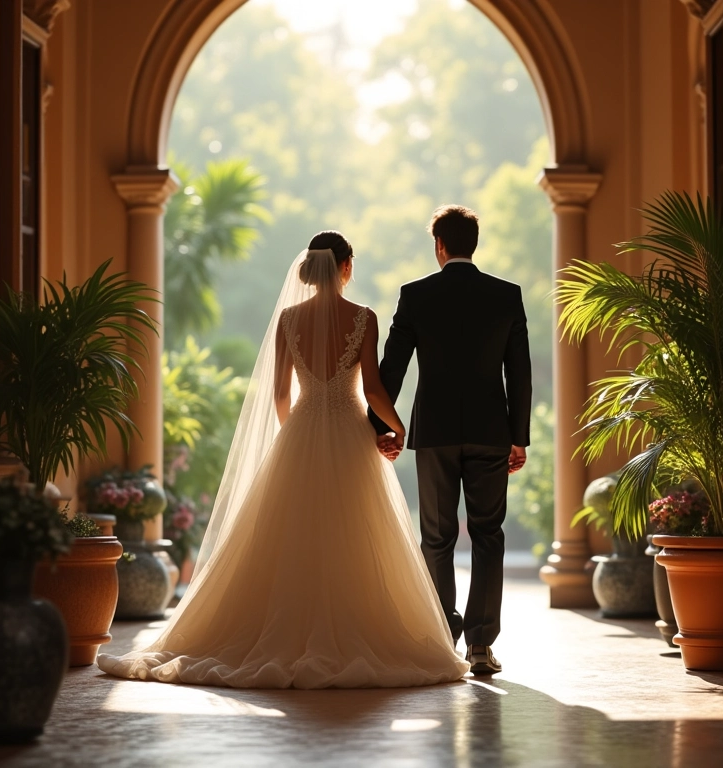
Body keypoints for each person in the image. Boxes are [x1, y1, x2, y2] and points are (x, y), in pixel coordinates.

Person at [97, 230, 469, 689]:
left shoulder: (290, 319)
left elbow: (278, 394)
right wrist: (396, 426)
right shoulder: (363, 318)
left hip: (301, 428)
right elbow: (373, 389)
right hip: (351, 433)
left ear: (311, 270)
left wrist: (299, 431)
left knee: (293, 532)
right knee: (353, 530)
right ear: (346, 267)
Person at [369, 205, 532, 675]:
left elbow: (391, 370)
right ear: (472, 244)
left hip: (435, 434)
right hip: (490, 432)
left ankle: (444, 634)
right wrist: (517, 436)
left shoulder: (415, 295)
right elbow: (518, 372)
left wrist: (384, 428)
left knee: (437, 537)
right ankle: (481, 645)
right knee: (488, 534)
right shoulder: (506, 296)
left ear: (439, 246)